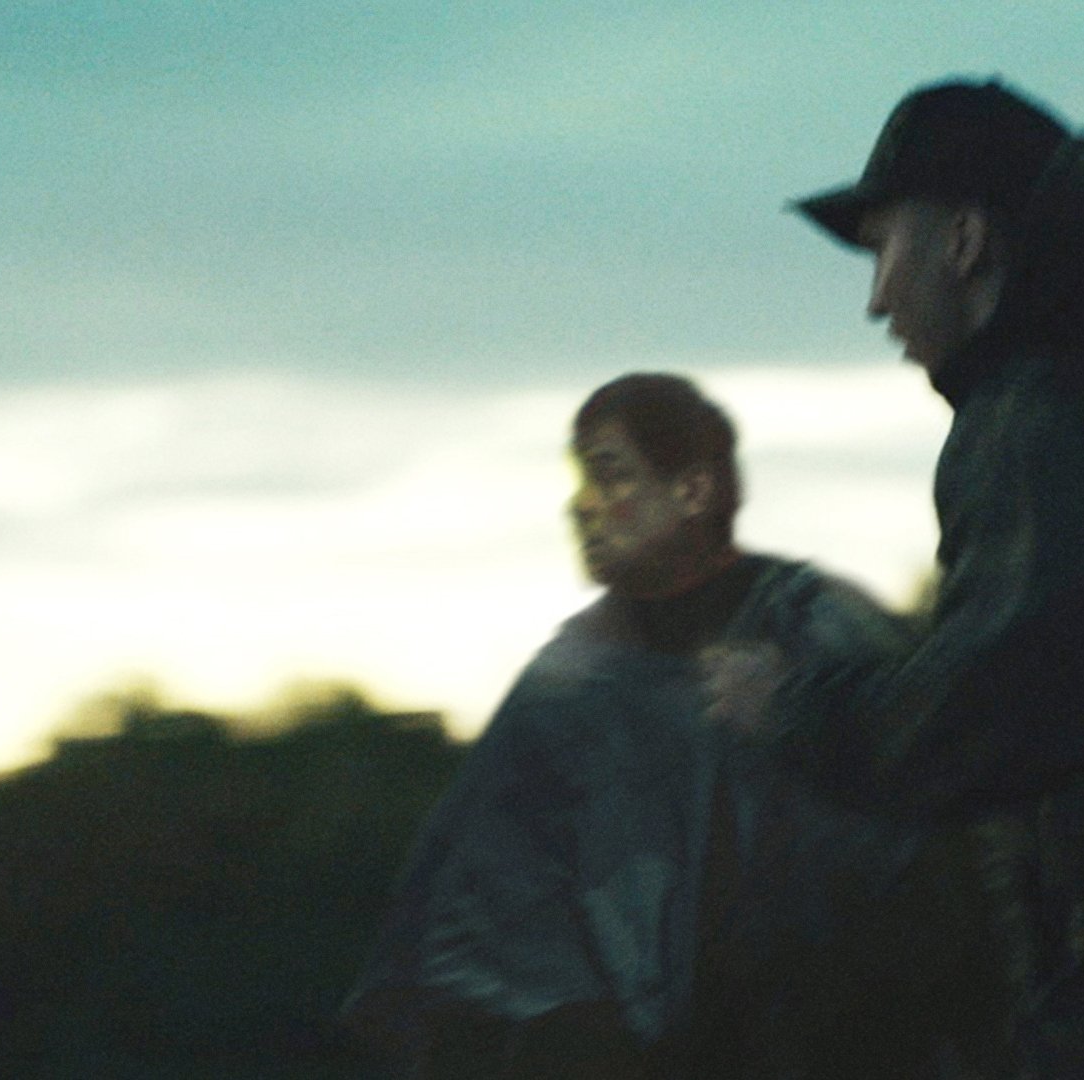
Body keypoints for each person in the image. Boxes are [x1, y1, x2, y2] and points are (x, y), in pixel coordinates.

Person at [342, 373, 1006, 1079]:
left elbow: (928, 834)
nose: (581, 505)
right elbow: (474, 909)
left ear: (692, 491)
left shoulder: (813, 628)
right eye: (581, 479)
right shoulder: (568, 682)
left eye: (610, 476)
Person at [781, 80, 1084, 1077]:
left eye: (882, 248)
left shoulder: (1047, 416)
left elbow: (996, 707)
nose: (875, 300)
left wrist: (790, 707)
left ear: (963, 241)